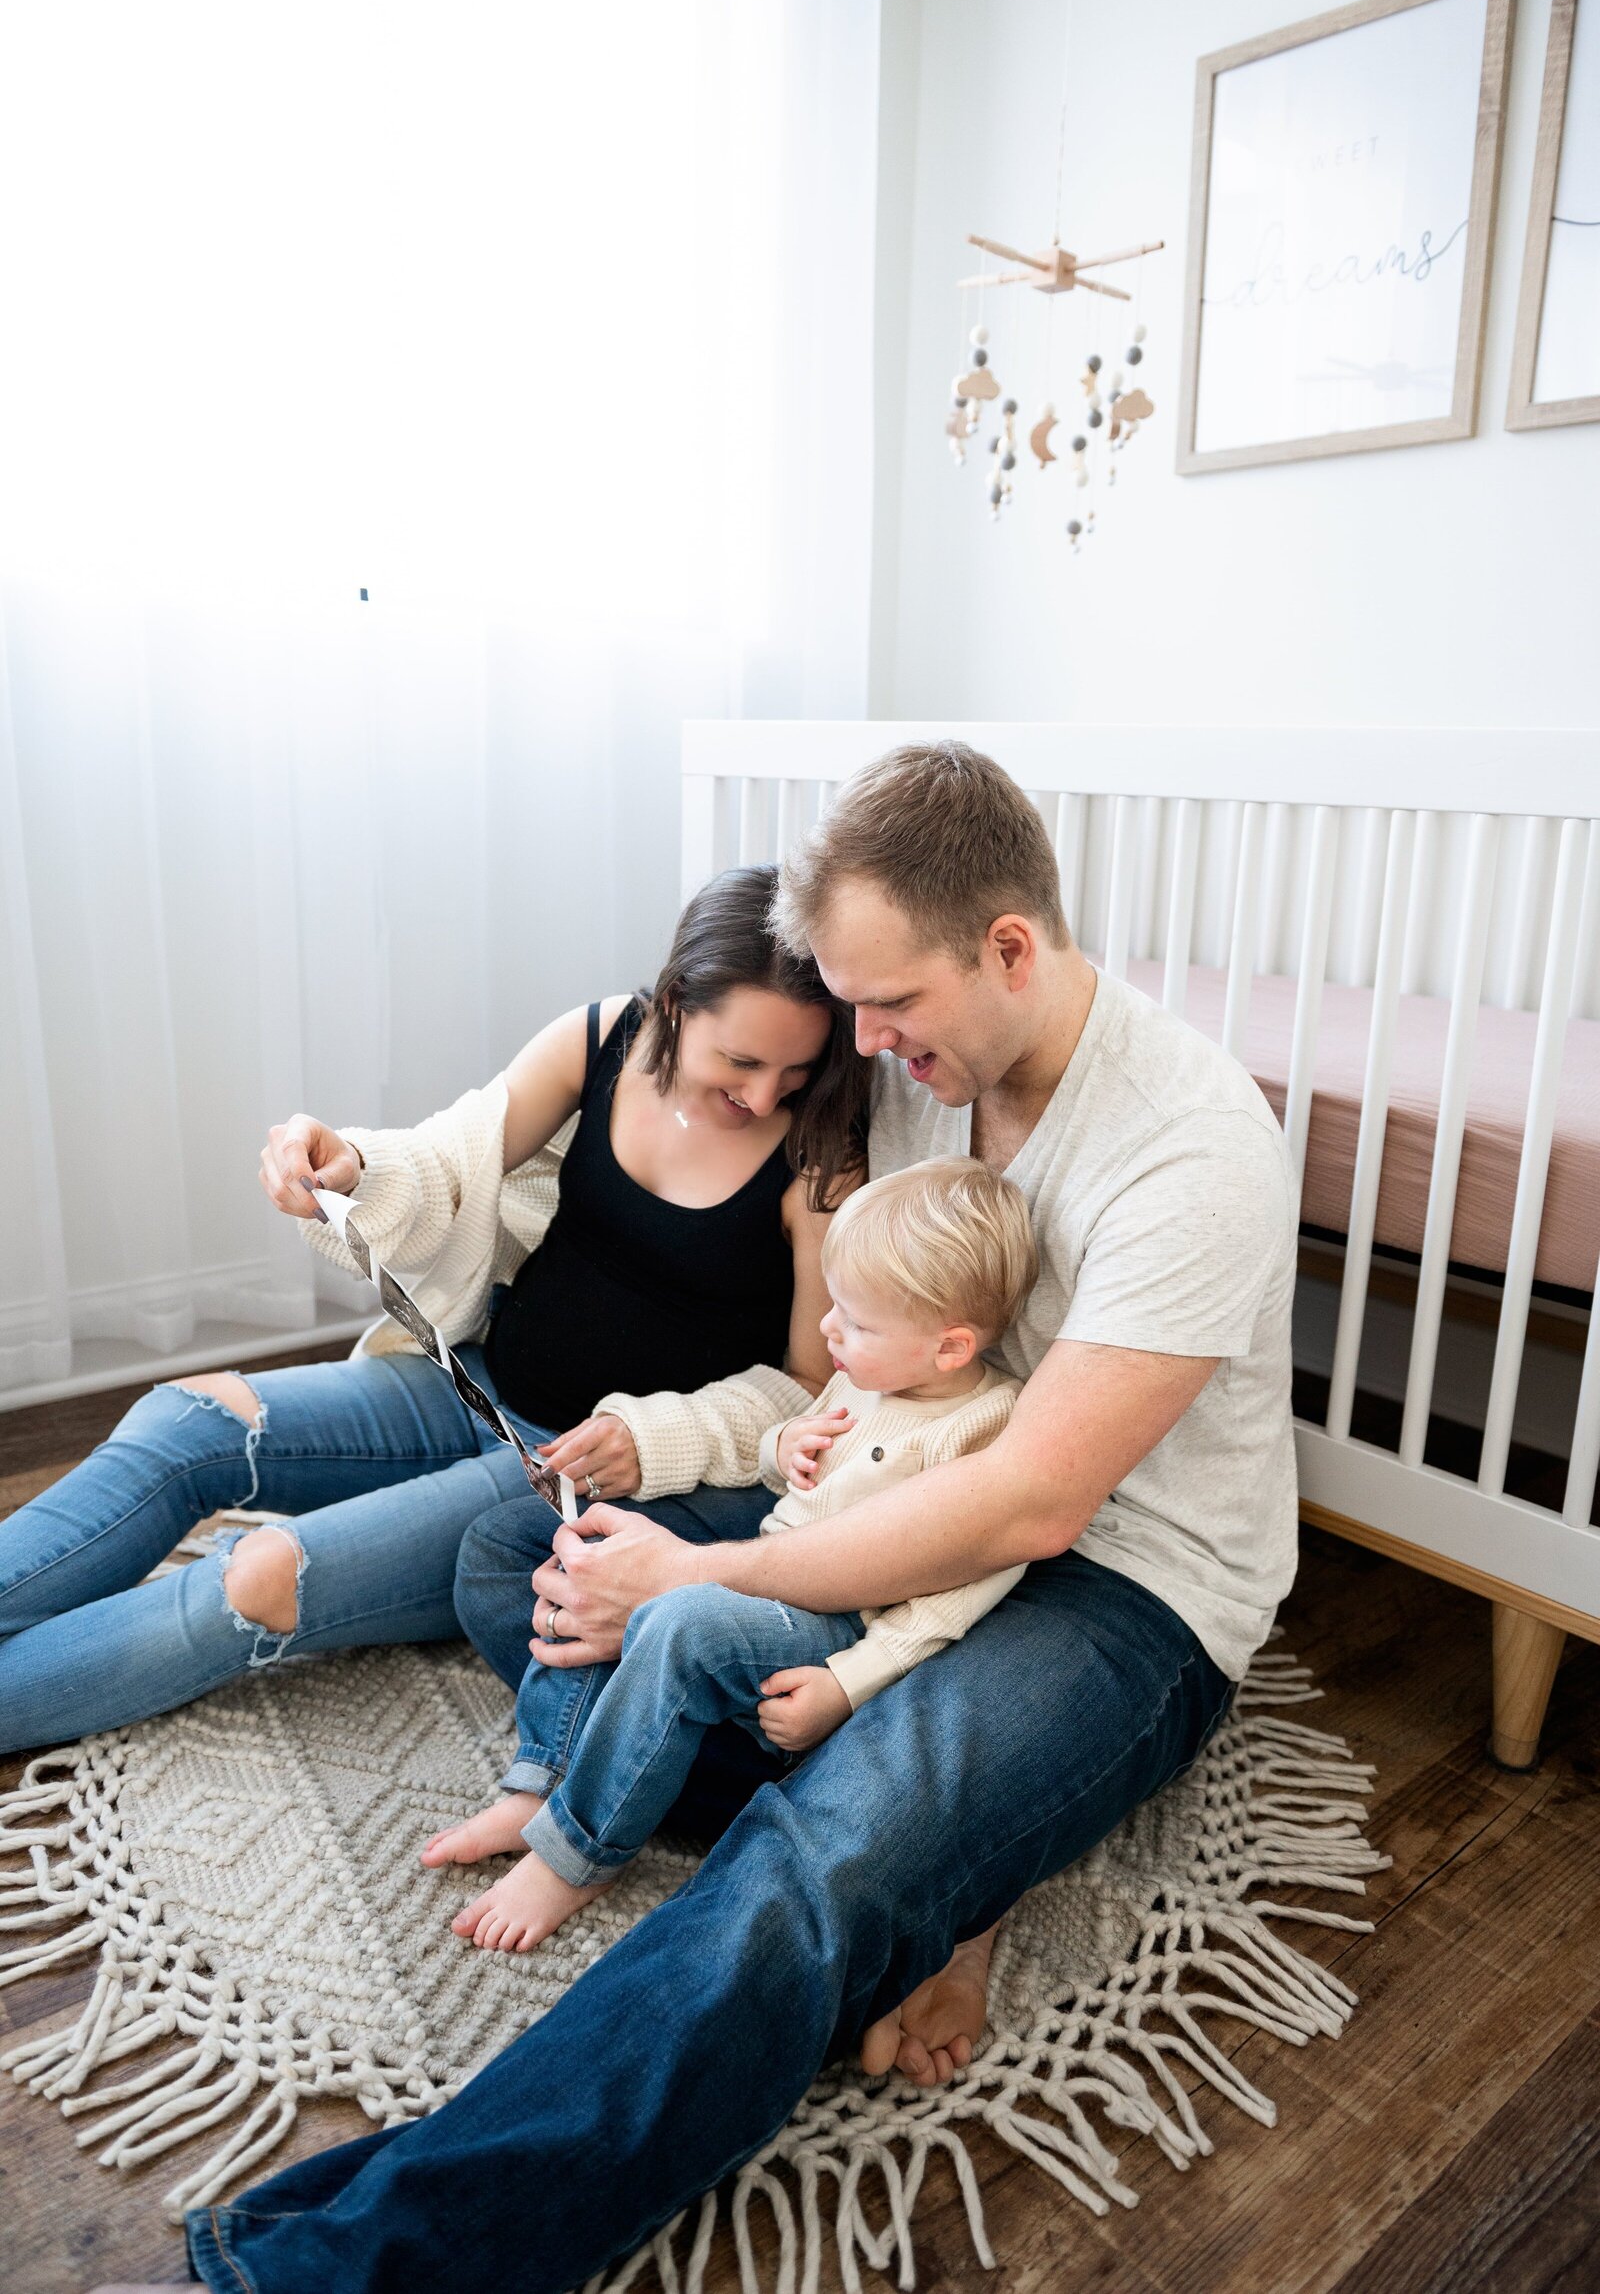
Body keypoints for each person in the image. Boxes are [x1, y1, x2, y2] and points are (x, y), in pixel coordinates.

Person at [172, 739, 1298, 2294]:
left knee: (819, 1868)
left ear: (1011, 948)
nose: (866, 1041)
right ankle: (950, 1845)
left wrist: (709, 1568)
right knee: (521, 1546)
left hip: (1116, 1584)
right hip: (888, 1479)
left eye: (890, 1004)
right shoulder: (913, 1082)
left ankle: (332, 2270)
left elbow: (1035, 1503)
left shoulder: (1193, 1140)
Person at [0, 867, 866, 1754]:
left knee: (259, 1577)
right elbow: (454, 1160)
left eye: (795, 1071)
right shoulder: (608, 1035)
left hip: (566, 1483)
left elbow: (810, 1384)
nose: (764, 1095)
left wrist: (655, 1440)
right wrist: (349, 1170)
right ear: (678, 1003)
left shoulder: (821, 1159)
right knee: (187, 1416)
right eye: (743, 1061)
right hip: (478, 1378)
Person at [426, 1155, 1034, 1955]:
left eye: (854, 1320)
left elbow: (955, 1596)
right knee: (595, 1562)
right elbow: (789, 1462)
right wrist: (789, 1444)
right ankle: (540, 1774)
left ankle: (578, 1852)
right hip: (772, 1569)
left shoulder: (984, 1426)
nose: (827, 1330)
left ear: (950, 1347)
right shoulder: (869, 1376)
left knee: (683, 1624)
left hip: (839, 1623)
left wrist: (847, 1685)